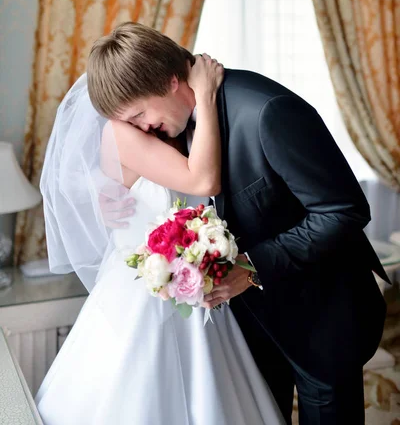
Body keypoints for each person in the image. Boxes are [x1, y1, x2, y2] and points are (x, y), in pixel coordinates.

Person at [86, 22, 389, 425]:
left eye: (140, 114)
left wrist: (250, 266)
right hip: (243, 327)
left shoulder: (266, 111)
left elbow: (343, 211)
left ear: (171, 80)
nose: (142, 130)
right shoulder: (173, 127)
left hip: (320, 315)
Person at [35, 51, 285, 425]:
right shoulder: (120, 132)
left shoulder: (182, 127)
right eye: (129, 117)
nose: (141, 124)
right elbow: (202, 181)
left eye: (137, 113)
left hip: (198, 293)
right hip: (142, 296)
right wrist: (206, 93)